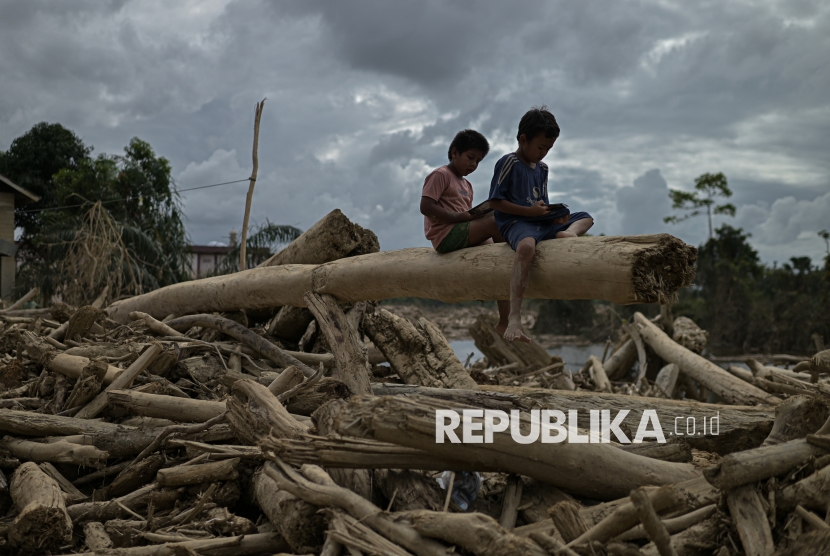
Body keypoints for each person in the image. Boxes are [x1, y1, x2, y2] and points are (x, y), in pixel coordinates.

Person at [488, 107, 593, 342]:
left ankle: (565, 233)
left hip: (539, 222)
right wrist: (529, 211)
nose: (544, 154)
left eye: (548, 149)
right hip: (515, 222)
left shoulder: (543, 169)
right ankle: (514, 317)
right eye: (541, 147)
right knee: (526, 248)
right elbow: (495, 202)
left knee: (585, 217)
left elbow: (540, 201)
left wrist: (552, 215)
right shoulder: (508, 162)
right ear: (523, 139)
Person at [420, 128, 511, 329]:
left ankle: (504, 319)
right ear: (454, 153)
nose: (473, 164)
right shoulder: (440, 175)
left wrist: (475, 214)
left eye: (478, 161)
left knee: (497, 255)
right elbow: (426, 206)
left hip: (462, 231)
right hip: (445, 235)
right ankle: (507, 314)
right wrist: (459, 217)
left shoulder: (467, 185)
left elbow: (466, 214)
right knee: (496, 222)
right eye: (470, 158)